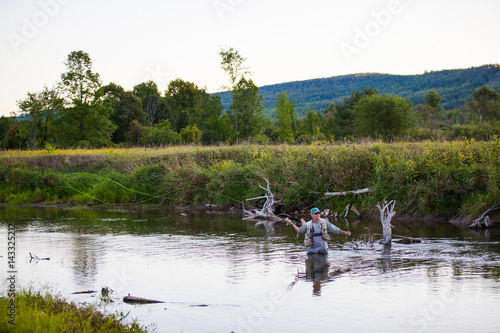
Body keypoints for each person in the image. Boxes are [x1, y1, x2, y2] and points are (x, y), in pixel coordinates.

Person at [285, 207, 351, 254]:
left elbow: (335, 229)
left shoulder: (324, 222)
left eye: (318, 213)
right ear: (312, 215)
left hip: (323, 251)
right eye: (315, 213)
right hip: (312, 251)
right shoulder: (307, 224)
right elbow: (299, 231)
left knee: (324, 271)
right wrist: (291, 223)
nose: (317, 214)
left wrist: (345, 232)